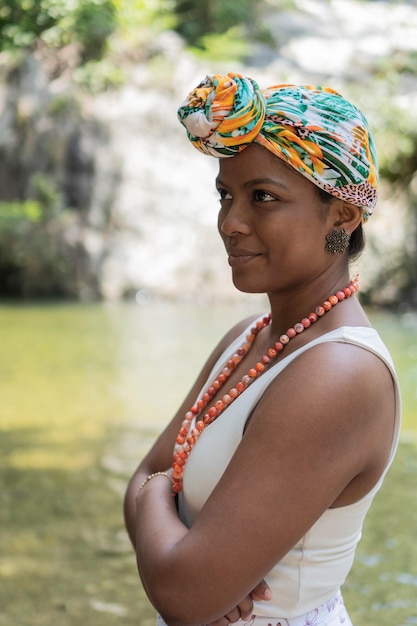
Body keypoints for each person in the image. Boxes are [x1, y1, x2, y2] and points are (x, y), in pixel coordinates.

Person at [124, 73, 401, 626]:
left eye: (264, 197)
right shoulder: (249, 337)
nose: (231, 222)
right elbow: (145, 478)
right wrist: (164, 511)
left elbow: (182, 594)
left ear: (343, 214)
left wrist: (160, 513)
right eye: (226, 195)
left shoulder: (340, 372)